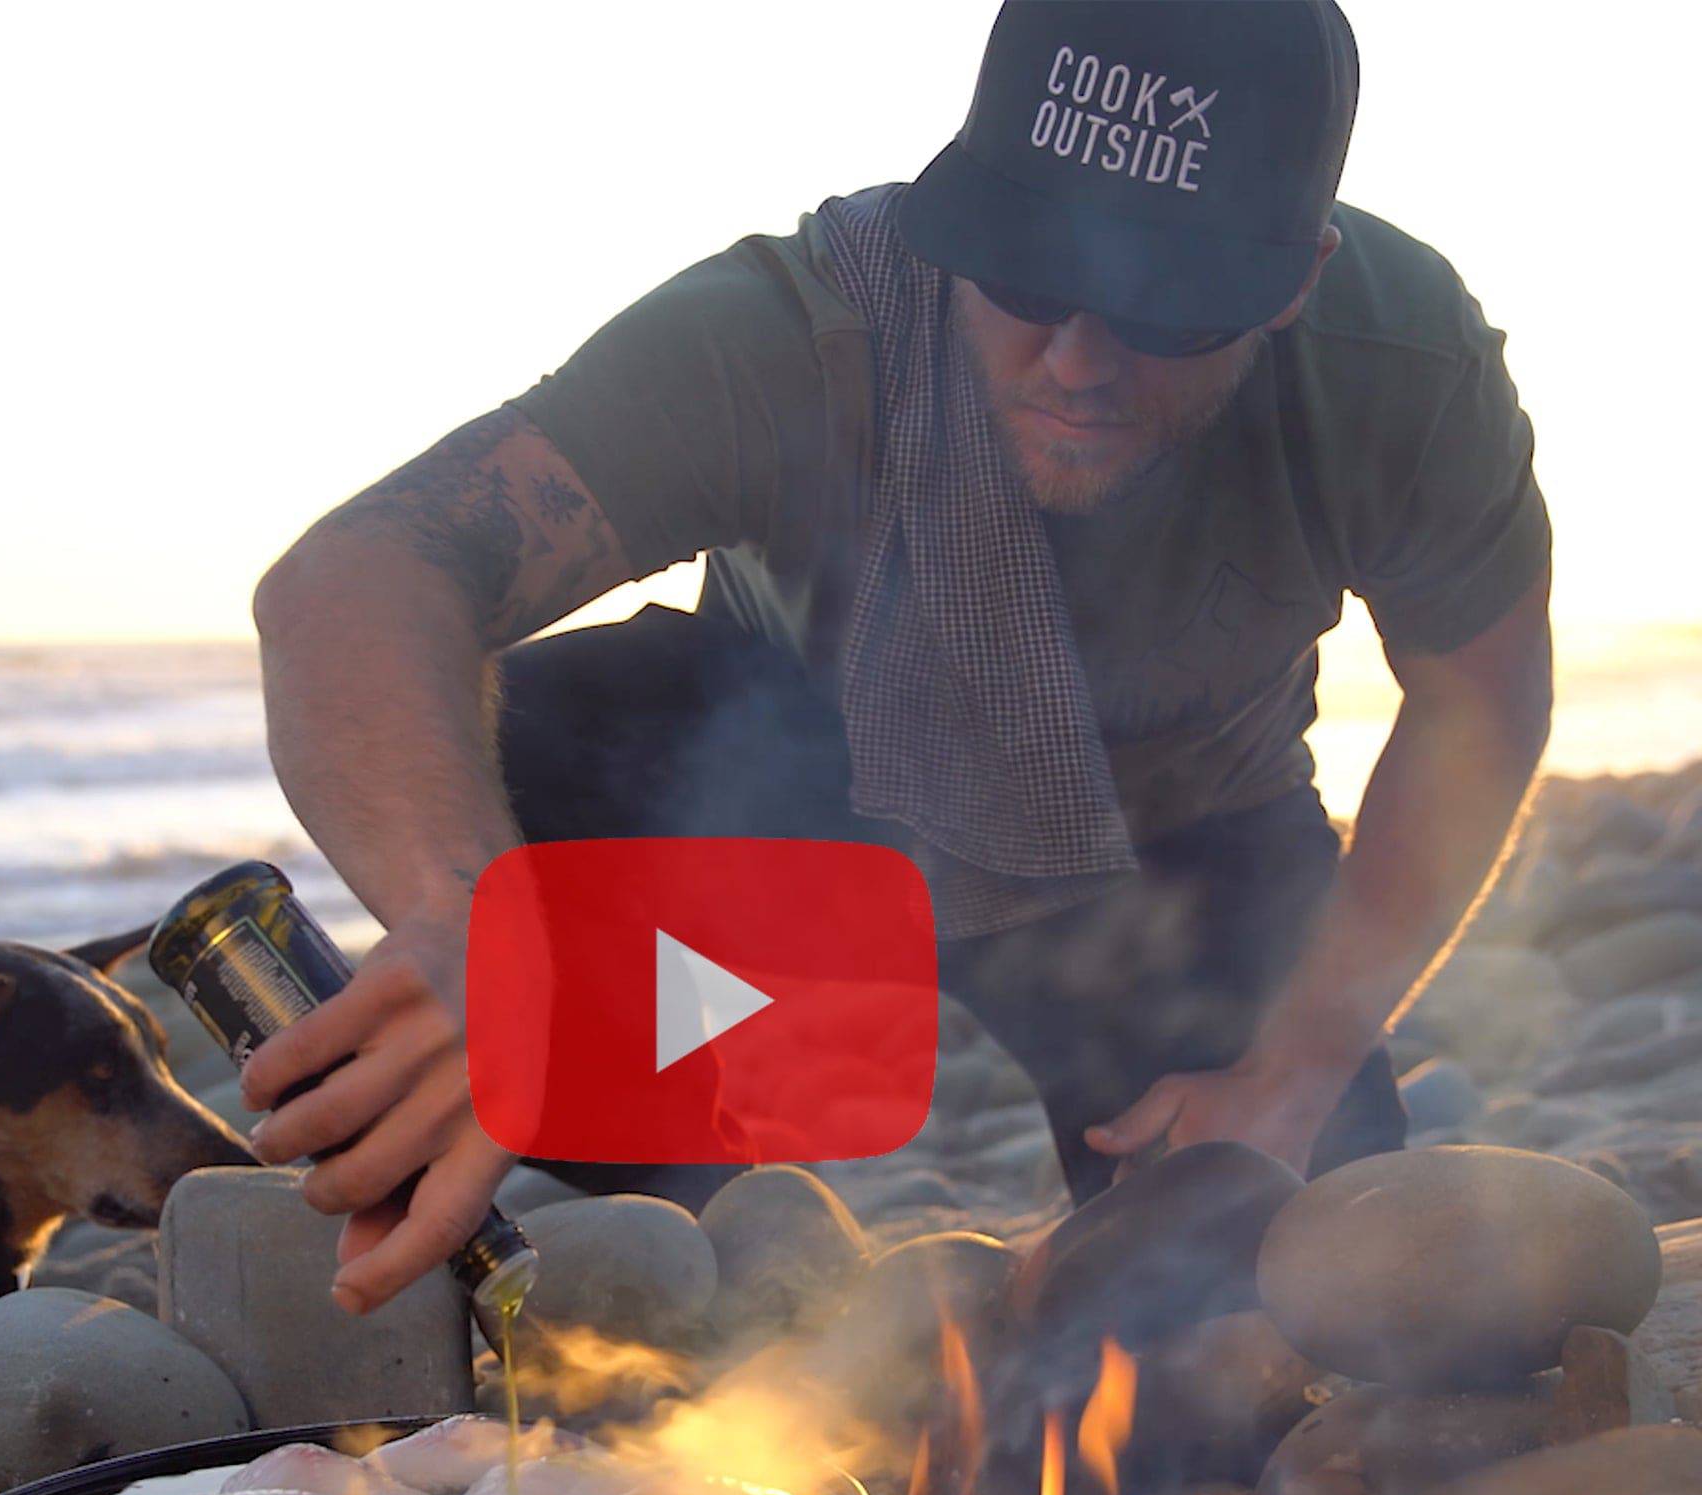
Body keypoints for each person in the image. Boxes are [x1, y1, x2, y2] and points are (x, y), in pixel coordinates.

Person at [242, 0, 1552, 1318]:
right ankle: (723, 1159)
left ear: (1298, 277)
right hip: (810, 810)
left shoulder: (1398, 366)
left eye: (1167, 312)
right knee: (531, 756)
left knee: (1288, 1294)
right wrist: (465, 912)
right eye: (1030, 274)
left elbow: (1477, 700)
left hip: (1185, 846)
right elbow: (352, 579)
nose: (1079, 364)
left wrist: (1298, 1067)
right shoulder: (800, 329)